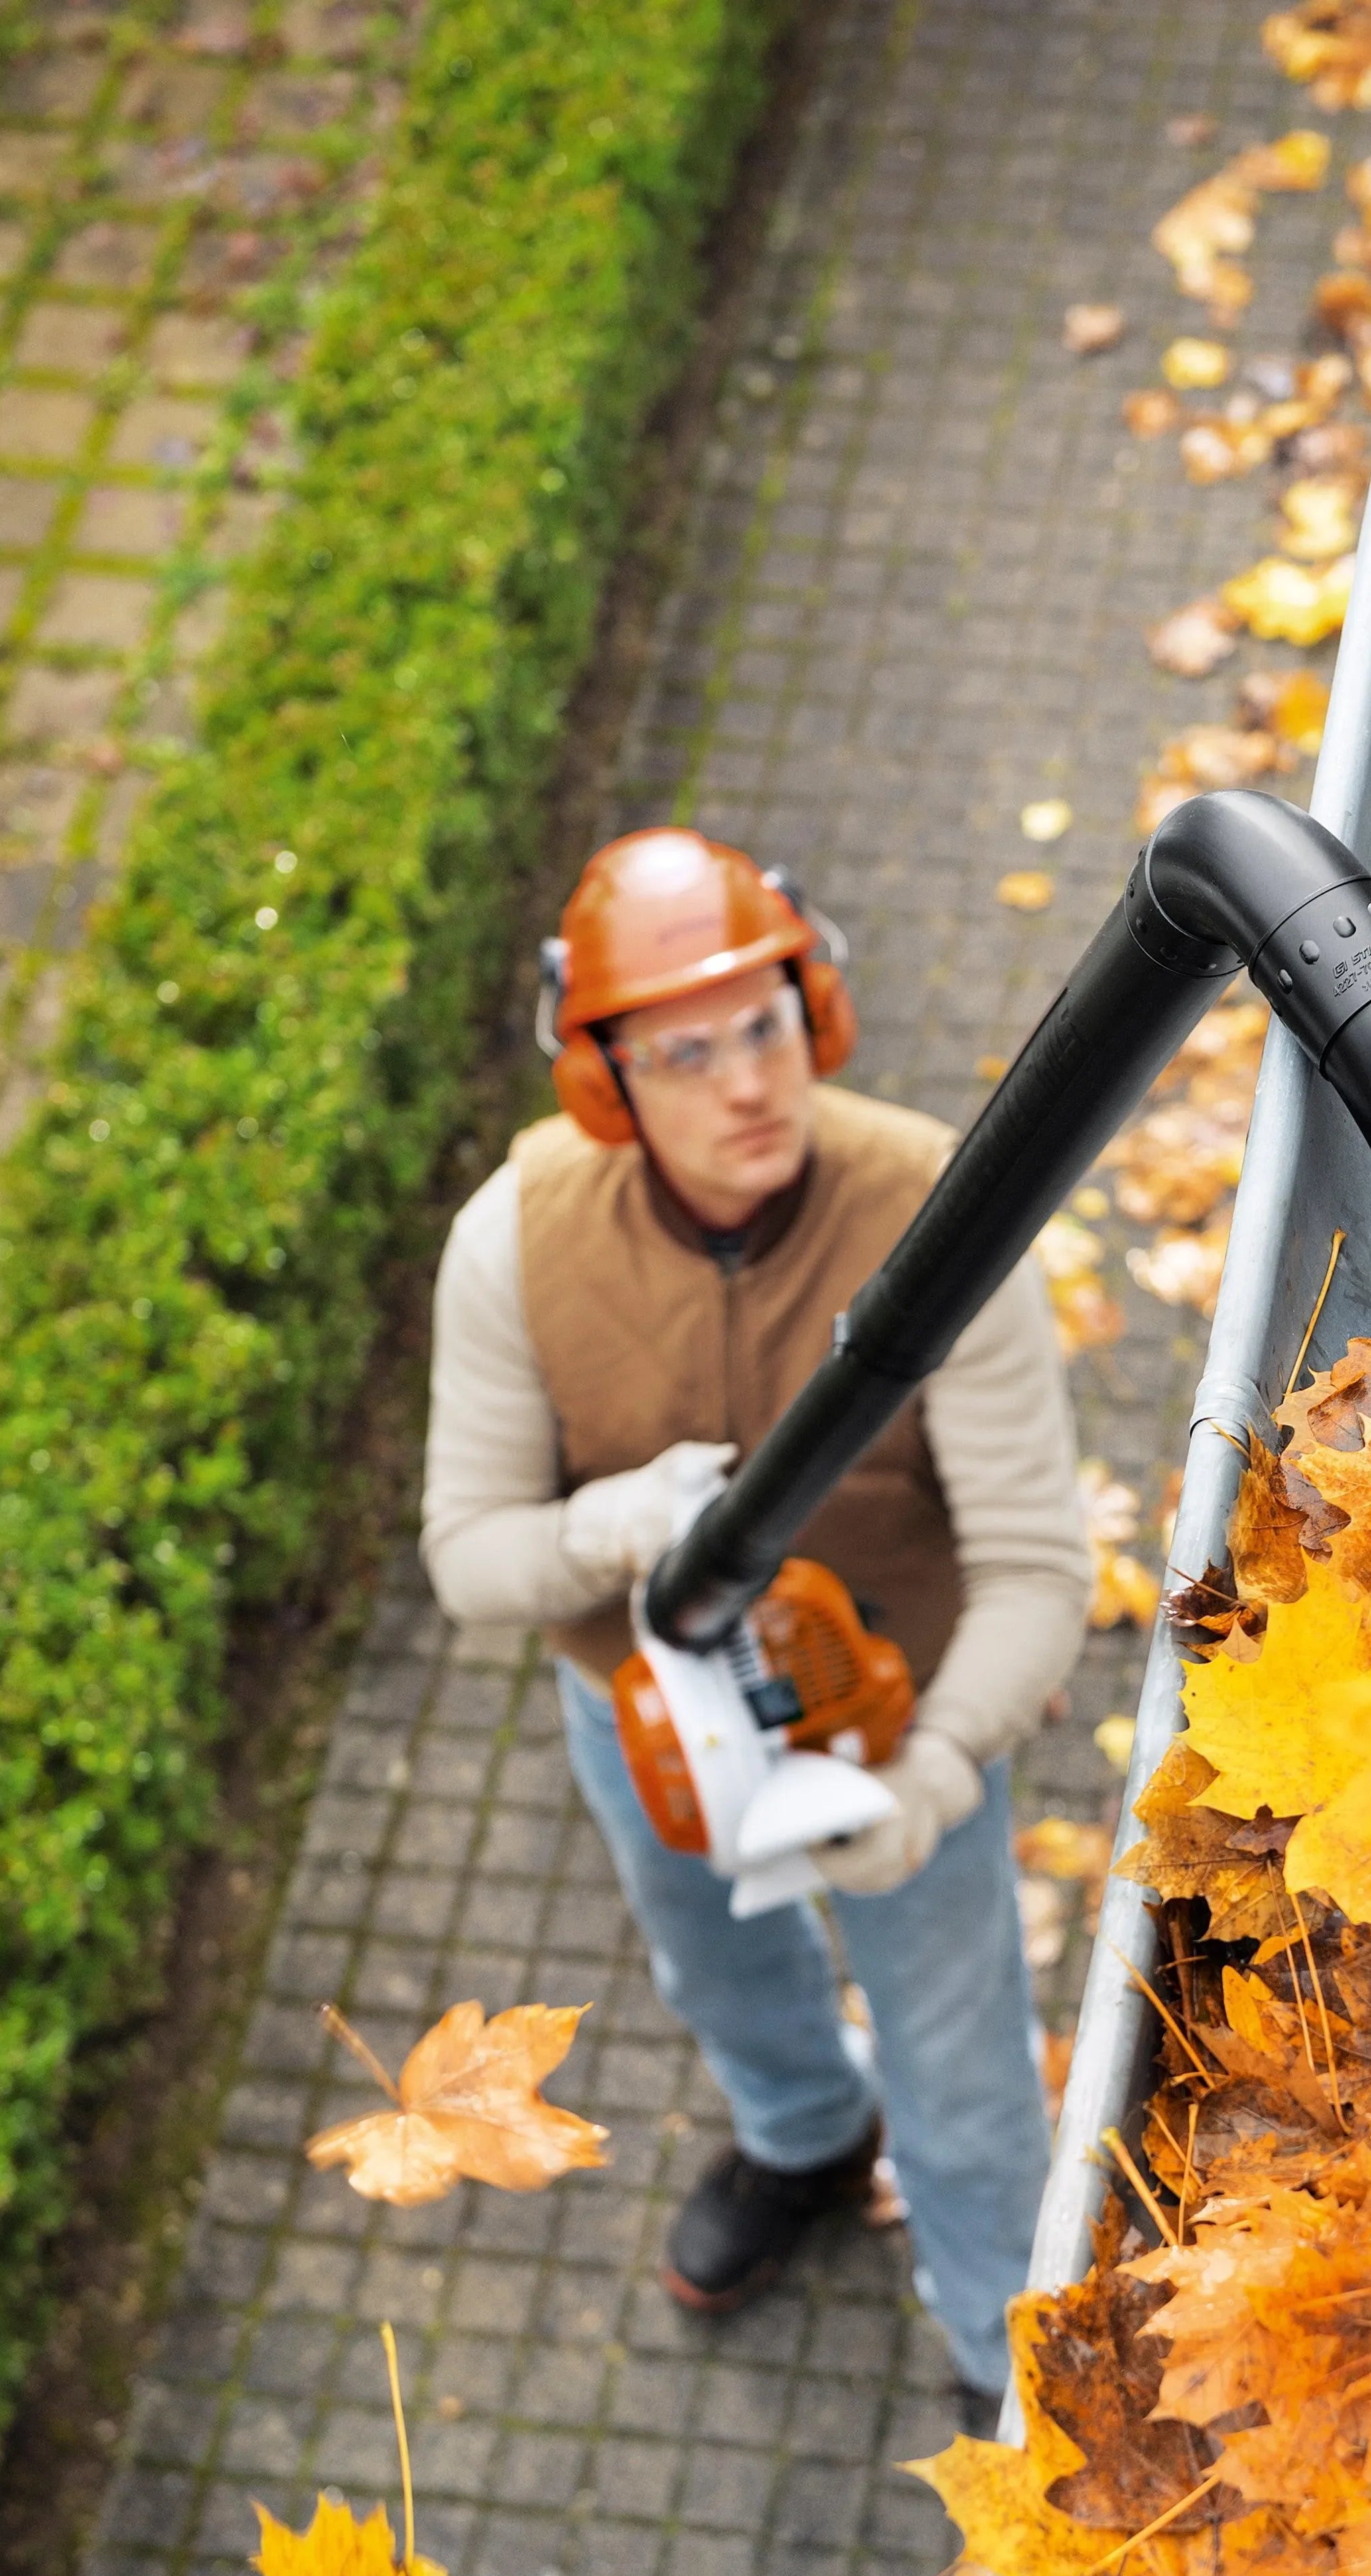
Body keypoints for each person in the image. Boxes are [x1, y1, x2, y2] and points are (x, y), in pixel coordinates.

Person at [420, 829, 1090, 2406]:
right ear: (608, 1078)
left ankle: (1007, 2344)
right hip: (643, 1716)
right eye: (690, 1051)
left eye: (769, 1026)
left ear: (820, 1014)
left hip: (905, 1710)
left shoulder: (941, 1208)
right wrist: (609, 1525)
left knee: (962, 2051)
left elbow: (1036, 1573)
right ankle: (802, 2135)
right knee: (713, 1968)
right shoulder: (510, 1248)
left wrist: (930, 1783)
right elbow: (468, 1560)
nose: (748, 1085)